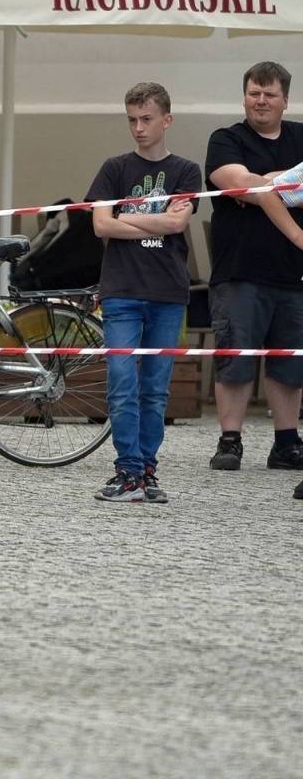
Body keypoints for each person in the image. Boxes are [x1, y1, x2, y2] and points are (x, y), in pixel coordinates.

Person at [85, 83, 200, 503]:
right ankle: (127, 469)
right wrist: (154, 221)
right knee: (120, 381)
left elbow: (176, 226)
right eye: (132, 119)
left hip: (168, 291)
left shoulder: (187, 171)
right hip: (121, 290)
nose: (139, 127)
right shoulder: (114, 168)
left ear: (166, 120)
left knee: (155, 387)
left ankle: (146, 470)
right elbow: (101, 225)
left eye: (147, 119)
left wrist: (125, 220)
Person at [202, 60, 303, 477]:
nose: (261, 101)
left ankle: (286, 444)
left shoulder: (301, 136)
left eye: (270, 94)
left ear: (285, 99)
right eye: (253, 93)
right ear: (245, 97)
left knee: (291, 363)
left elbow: (258, 187)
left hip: (294, 277)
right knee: (236, 358)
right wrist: (285, 186)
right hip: (239, 273)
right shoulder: (225, 139)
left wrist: (265, 183)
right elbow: (242, 183)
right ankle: (230, 441)